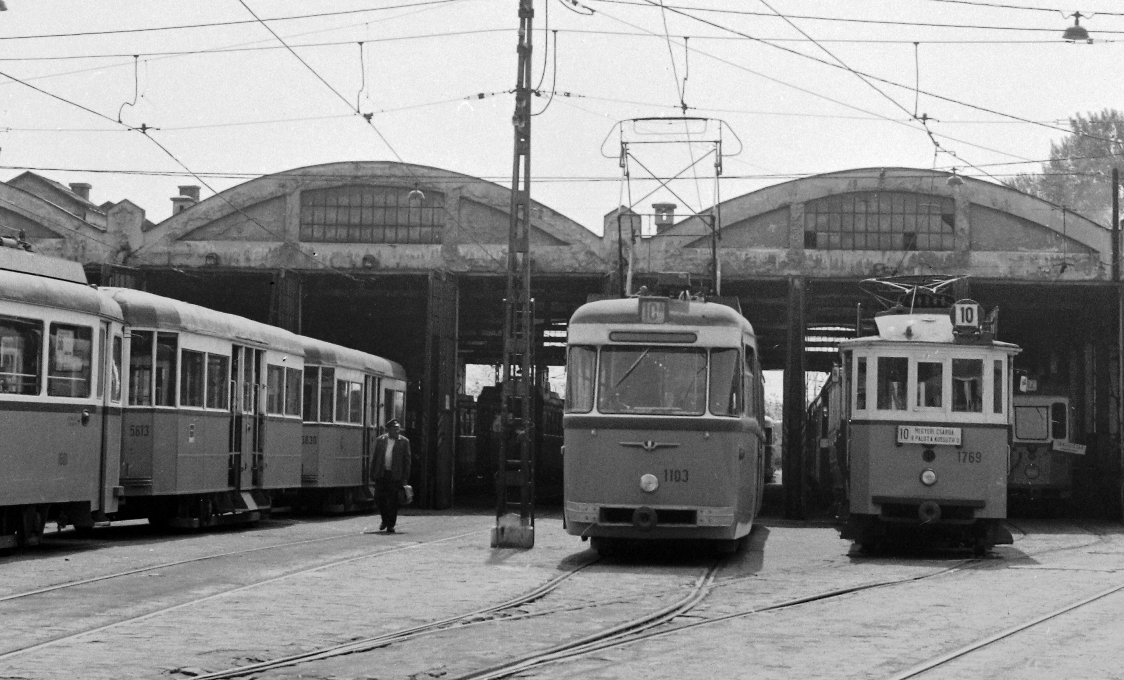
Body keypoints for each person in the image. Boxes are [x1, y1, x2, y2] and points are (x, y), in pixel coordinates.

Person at [371, 419, 411, 533]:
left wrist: (405, 479)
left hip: (395, 476)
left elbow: (407, 461)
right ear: (388, 430)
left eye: (398, 429)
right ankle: (384, 519)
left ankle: (391, 525)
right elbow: (375, 458)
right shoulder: (381, 440)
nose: (397, 431)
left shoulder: (404, 442)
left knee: (393, 501)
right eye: (394, 429)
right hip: (382, 474)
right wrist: (372, 473)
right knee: (379, 498)